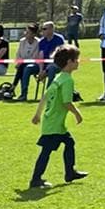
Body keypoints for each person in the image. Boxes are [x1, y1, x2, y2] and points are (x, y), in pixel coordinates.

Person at [29, 44, 86, 190]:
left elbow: (45, 96)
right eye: (76, 59)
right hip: (54, 124)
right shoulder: (67, 80)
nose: (78, 62)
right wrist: (77, 113)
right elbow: (67, 102)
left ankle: (70, 172)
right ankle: (36, 179)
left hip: (53, 122)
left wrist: (37, 114)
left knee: (69, 142)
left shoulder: (58, 78)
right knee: (46, 152)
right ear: (69, 62)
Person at [11, 24, 40, 101]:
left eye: (28, 32)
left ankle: (15, 88)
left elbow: (35, 57)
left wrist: (23, 62)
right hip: (22, 64)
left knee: (25, 68)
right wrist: (20, 61)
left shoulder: (38, 42)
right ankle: (21, 93)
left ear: (33, 34)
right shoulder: (22, 41)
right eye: (26, 32)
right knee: (22, 67)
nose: (26, 34)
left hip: (34, 64)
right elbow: (18, 54)